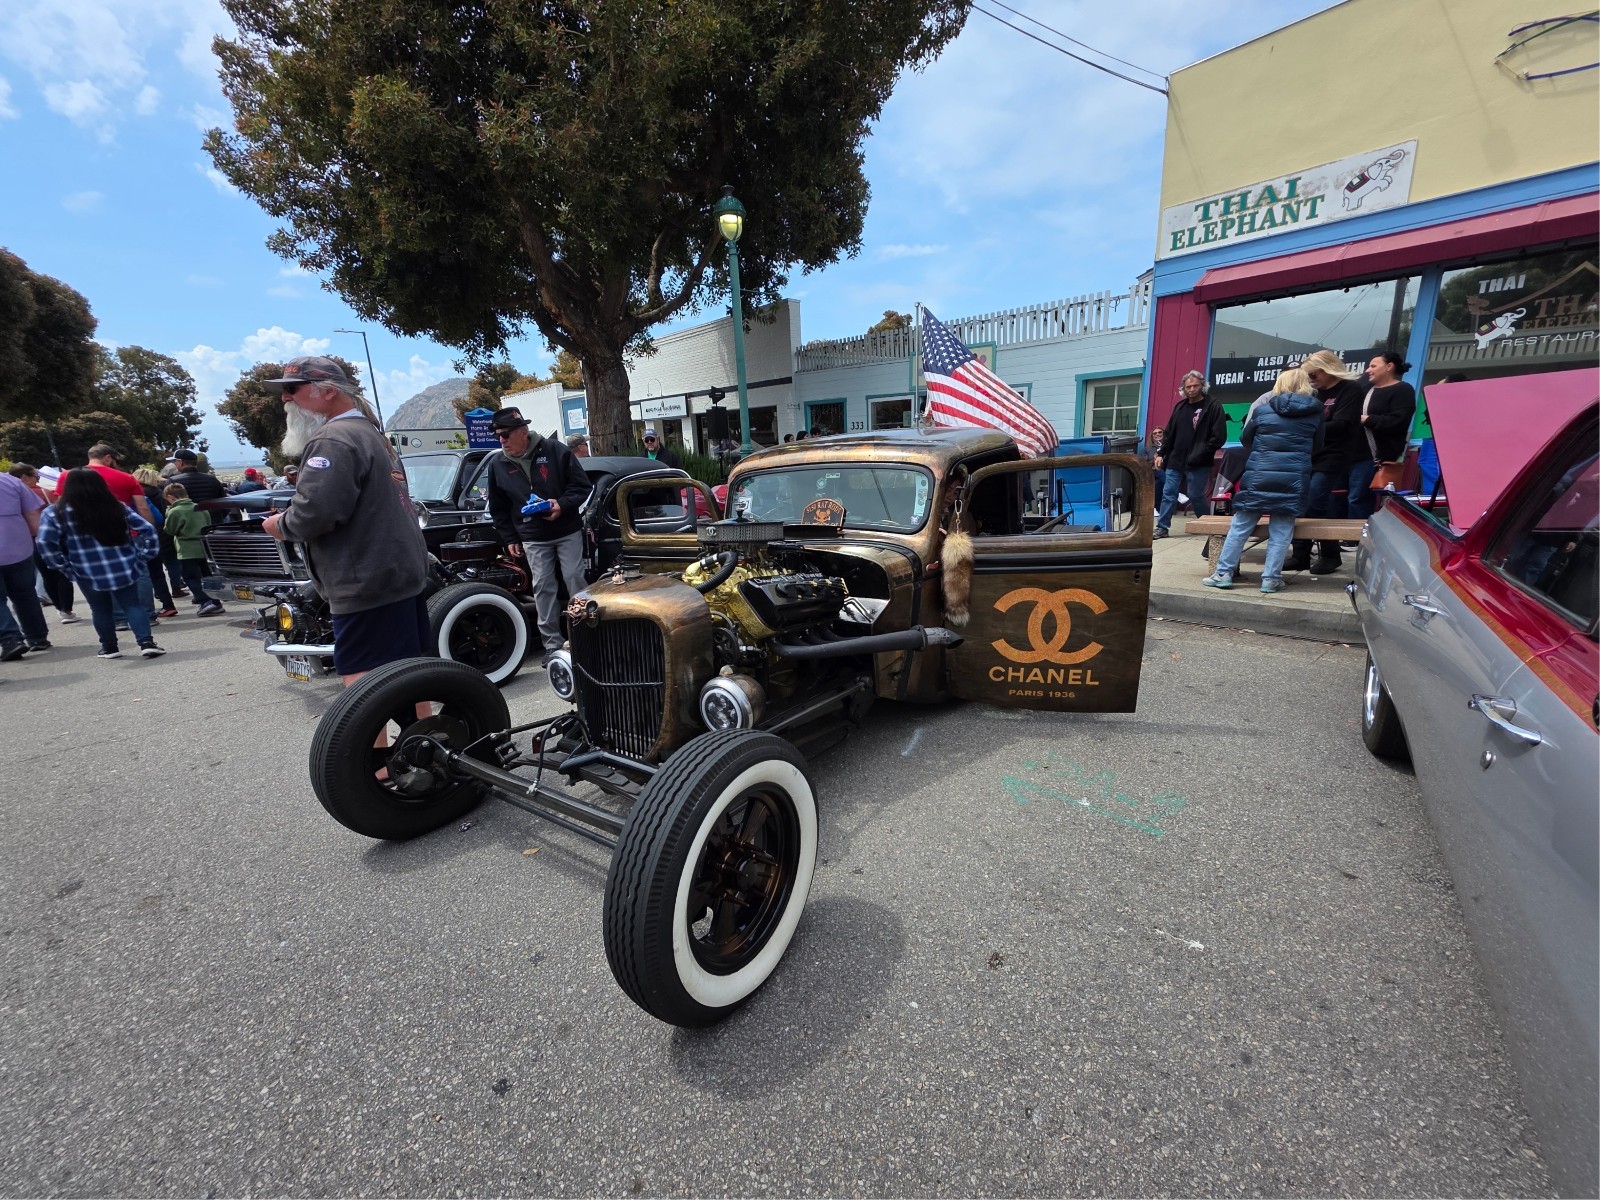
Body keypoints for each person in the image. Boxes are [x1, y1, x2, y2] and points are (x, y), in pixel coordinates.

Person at [259, 356, 431, 685]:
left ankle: (374, 741)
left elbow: (315, 513)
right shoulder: (369, 432)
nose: (285, 398)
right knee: (407, 672)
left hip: (365, 580)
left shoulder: (334, 439)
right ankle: (420, 735)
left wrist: (279, 525)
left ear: (327, 392)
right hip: (395, 573)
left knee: (363, 683)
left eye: (292, 389)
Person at [1201, 368, 1324, 594]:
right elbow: (1318, 447)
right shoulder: (1315, 415)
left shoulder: (1263, 411)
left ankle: (1223, 573)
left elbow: (1245, 439)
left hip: (1259, 474)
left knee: (1240, 527)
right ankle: (1270, 579)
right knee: (1281, 530)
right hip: (1293, 478)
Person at [484, 407, 589, 659]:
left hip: (566, 529)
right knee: (543, 586)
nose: (501, 440)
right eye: (498, 435)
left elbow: (581, 486)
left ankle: (585, 640)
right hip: (531, 535)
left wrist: (560, 505)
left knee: (575, 579)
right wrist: (509, 537)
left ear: (523, 432)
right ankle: (552, 646)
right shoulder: (497, 463)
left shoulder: (556, 450)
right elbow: (498, 507)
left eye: (506, 434)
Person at [35, 469, 166, 659]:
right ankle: (146, 642)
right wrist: (144, 555)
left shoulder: (55, 512)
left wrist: (63, 566)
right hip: (124, 564)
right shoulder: (116, 507)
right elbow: (147, 529)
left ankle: (109, 647)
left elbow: (45, 543)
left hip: (85, 568)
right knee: (132, 605)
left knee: (99, 608)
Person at [1287, 349, 1368, 574]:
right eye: (1309, 376)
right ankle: (1300, 554)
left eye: (1314, 375)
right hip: (1312, 454)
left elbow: (1342, 424)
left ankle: (1330, 554)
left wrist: (1306, 429)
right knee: (1300, 502)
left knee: (1314, 501)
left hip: (1335, 455)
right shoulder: (1316, 394)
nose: (1312, 380)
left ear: (1328, 369)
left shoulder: (1350, 389)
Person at [1152, 371, 1227, 539]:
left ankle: (1209, 526)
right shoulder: (1180, 407)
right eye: (1188, 387)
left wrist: (1201, 453)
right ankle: (1162, 528)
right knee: (1168, 493)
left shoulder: (1213, 406)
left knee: (1195, 495)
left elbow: (1219, 437)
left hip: (1198, 461)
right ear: (1183, 389)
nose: (1192, 389)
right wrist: (1160, 453)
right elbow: (1169, 434)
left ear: (1203, 386)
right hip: (1175, 459)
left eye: (1195, 386)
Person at [9, 464, 79, 624]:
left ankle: (59, 608)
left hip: (26, 540)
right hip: (53, 536)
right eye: (36, 477)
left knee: (46, 575)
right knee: (62, 573)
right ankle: (66, 610)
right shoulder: (44, 493)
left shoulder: (10, 496)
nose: (38, 480)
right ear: (25, 478)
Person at [0, 466, 50, 659]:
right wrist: (38, 539)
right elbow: (32, 514)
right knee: (25, 594)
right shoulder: (10, 481)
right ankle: (37, 637)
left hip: (17, 545)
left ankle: (10, 639)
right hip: (18, 546)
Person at [161, 483, 227, 615]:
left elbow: (170, 529)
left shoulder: (175, 511)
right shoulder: (200, 507)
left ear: (170, 497)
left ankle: (204, 601)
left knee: (190, 577)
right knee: (207, 575)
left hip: (186, 548)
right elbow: (208, 524)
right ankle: (216, 601)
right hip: (203, 545)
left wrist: (168, 512)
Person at [1361, 351, 1418, 494]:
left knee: (1359, 498)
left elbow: (1399, 421)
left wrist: (1368, 419)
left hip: (1379, 457)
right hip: (1357, 454)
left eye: (1373, 366)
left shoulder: (1403, 389)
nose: (1368, 370)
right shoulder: (1366, 390)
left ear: (1389, 366)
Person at [133, 467, 179, 618]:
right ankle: (171, 597)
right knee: (165, 567)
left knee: (148, 574)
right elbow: (160, 517)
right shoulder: (159, 493)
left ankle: (153, 606)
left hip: (141, 535)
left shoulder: (136, 495)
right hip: (162, 533)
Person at [1140, 426, 1166, 512]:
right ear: (1152, 436)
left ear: (1163, 433)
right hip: (1153, 471)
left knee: (1158, 483)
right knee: (1158, 471)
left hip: (1168, 470)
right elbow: (1144, 463)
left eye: (1160, 432)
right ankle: (1177, 494)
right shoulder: (1148, 449)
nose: (1157, 434)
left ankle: (1156, 508)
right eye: (1155, 433)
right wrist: (1154, 459)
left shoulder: (1168, 446)